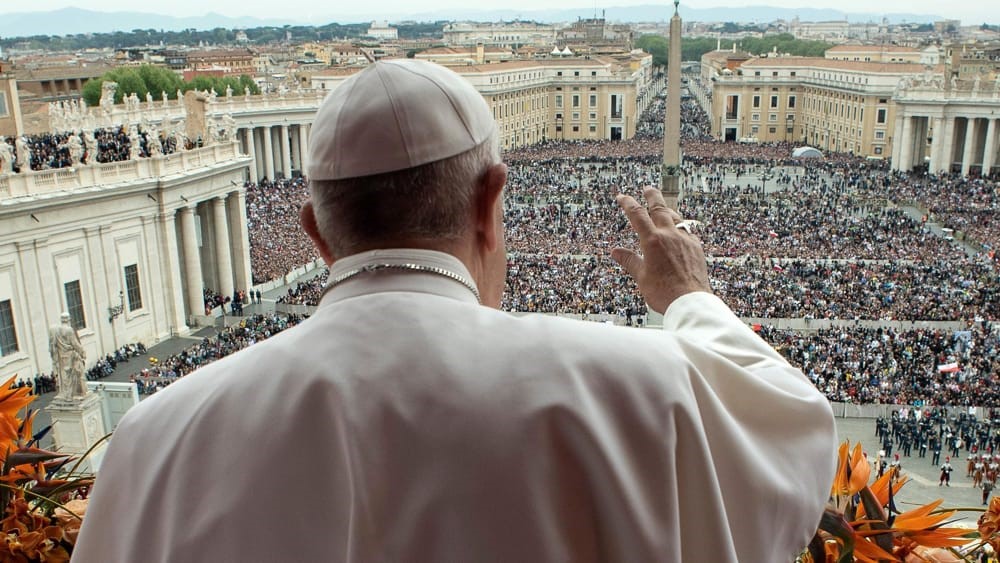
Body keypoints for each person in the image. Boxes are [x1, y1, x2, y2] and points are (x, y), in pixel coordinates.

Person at [74, 59, 837, 562]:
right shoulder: (641, 386)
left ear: (315, 234)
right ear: (492, 203)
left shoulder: (154, 442)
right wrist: (689, 298)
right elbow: (794, 427)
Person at [48, 312, 88, 402]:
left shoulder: (57, 330)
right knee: (70, 374)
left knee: (64, 374)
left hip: (61, 355)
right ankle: (69, 395)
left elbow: (53, 344)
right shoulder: (69, 330)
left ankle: (66, 393)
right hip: (69, 355)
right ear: (68, 319)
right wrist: (82, 352)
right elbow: (75, 343)